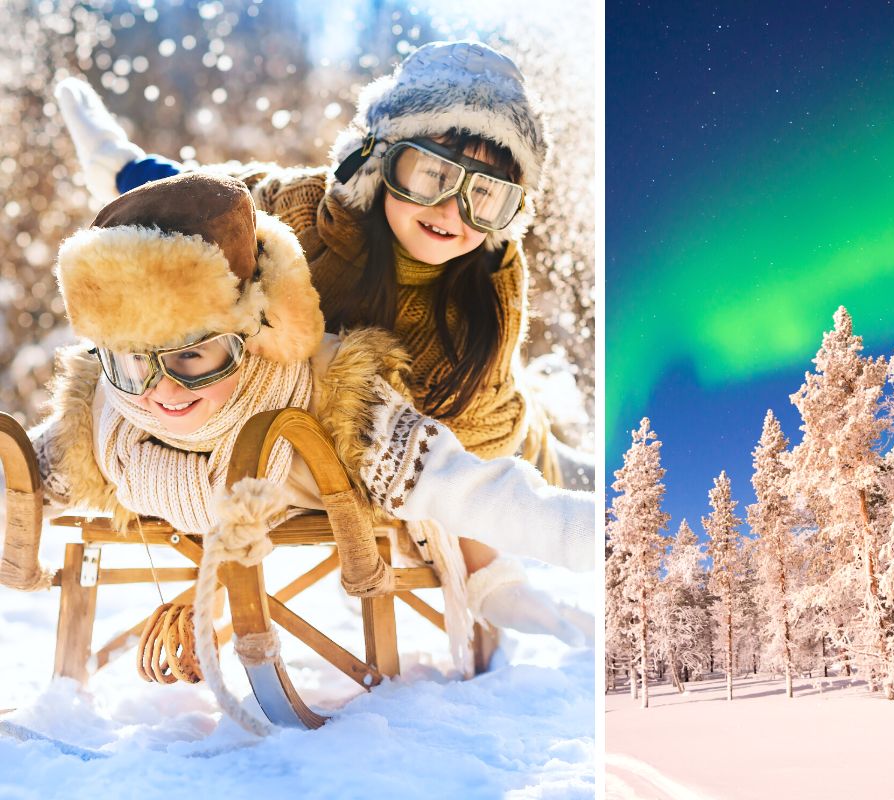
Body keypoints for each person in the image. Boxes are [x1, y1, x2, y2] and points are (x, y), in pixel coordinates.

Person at [15, 173, 593, 679]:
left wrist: (584, 534)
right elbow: (26, 474)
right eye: (134, 361)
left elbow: (456, 483)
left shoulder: (333, 397)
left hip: (475, 430)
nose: (161, 390)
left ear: (255, 331)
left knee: (493, 492)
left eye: (194, 357)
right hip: (208, 503)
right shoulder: (105, 413)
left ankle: (501, 578)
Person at [54, 40, 594, 494]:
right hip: (332, 426)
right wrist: (120, 167)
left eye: (486, 196)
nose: (452, 210)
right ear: (378, 162)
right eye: (430, 175)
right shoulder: (308, 215)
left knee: (538, 454)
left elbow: (484, 432)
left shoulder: (492, 282)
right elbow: (215, 201)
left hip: (479, 435)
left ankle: (571, 460)